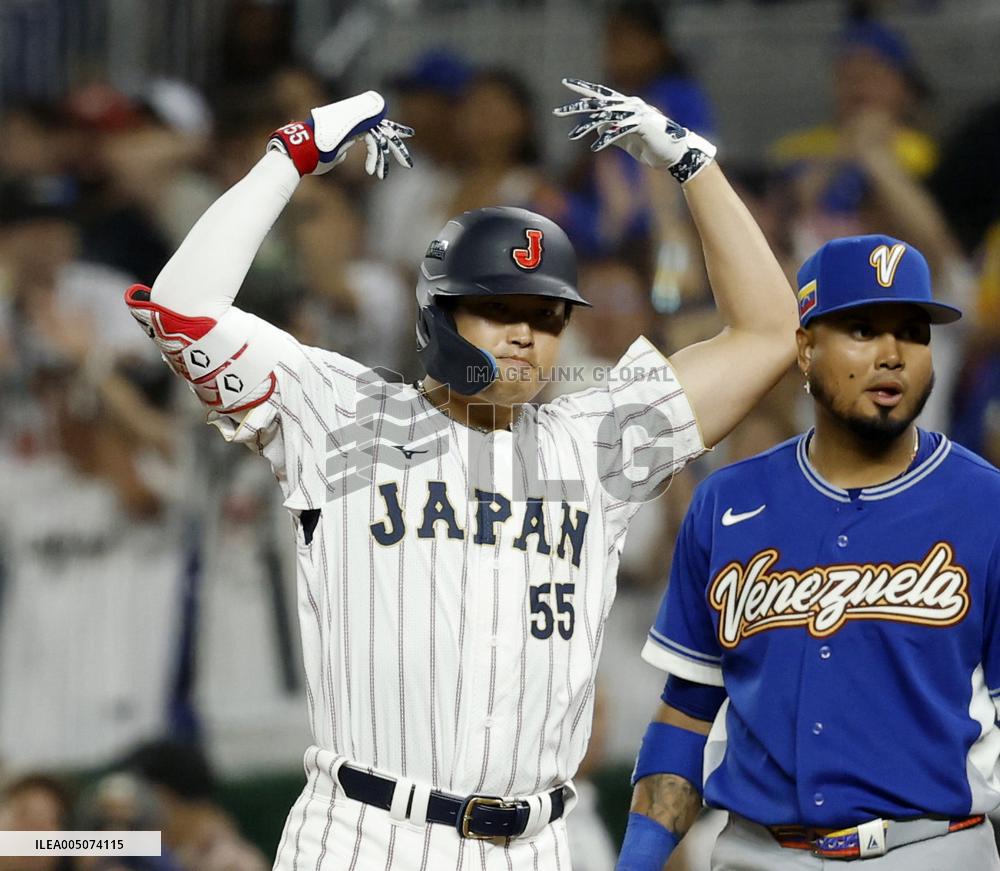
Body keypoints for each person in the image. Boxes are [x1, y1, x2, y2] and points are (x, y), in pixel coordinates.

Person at [122, 81, 797, 868]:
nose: (527, 334)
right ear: (438, 313)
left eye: (548, 316)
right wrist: (290, 156)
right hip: (369, 829)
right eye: (500, 308)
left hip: (536, 843)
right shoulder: (340, 409)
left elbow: (771, 331)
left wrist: (689, 163)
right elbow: (184, 309)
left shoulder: (598, 440)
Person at [620, 234, 1000, 869]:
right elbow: (686, 713)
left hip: (933, 848)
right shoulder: (728, 503)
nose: (892, 354)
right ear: (804, 347)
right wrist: (637, 862)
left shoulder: (985, 503)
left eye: (912, 332)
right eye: (861, 328)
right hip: (756, 852)